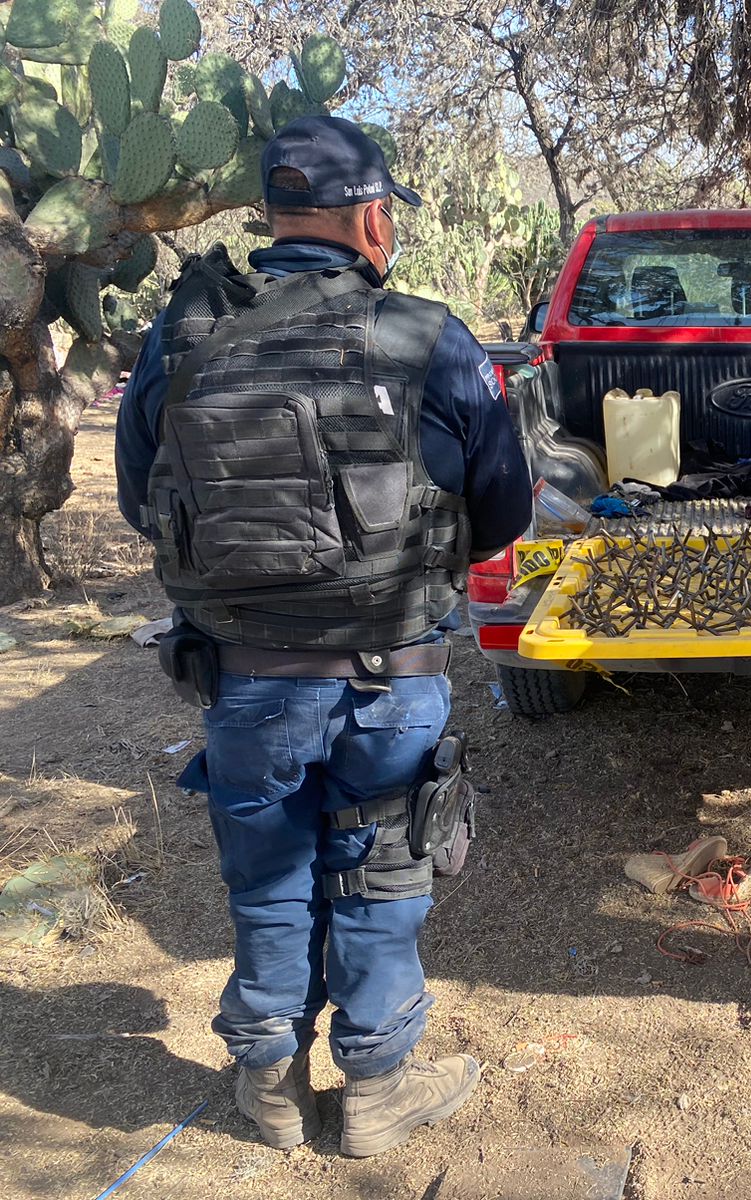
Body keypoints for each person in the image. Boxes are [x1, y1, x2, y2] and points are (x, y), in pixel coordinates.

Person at [115, 117, 533, 1151]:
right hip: (389, 678)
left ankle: (268, 1089)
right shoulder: (429, 336)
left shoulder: (181, 338)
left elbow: (139, 500)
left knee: (266, 884)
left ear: (274, 214)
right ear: (371, 219)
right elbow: (507, 507)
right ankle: (376, 1096)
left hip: (243, 684)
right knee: (382, 877)